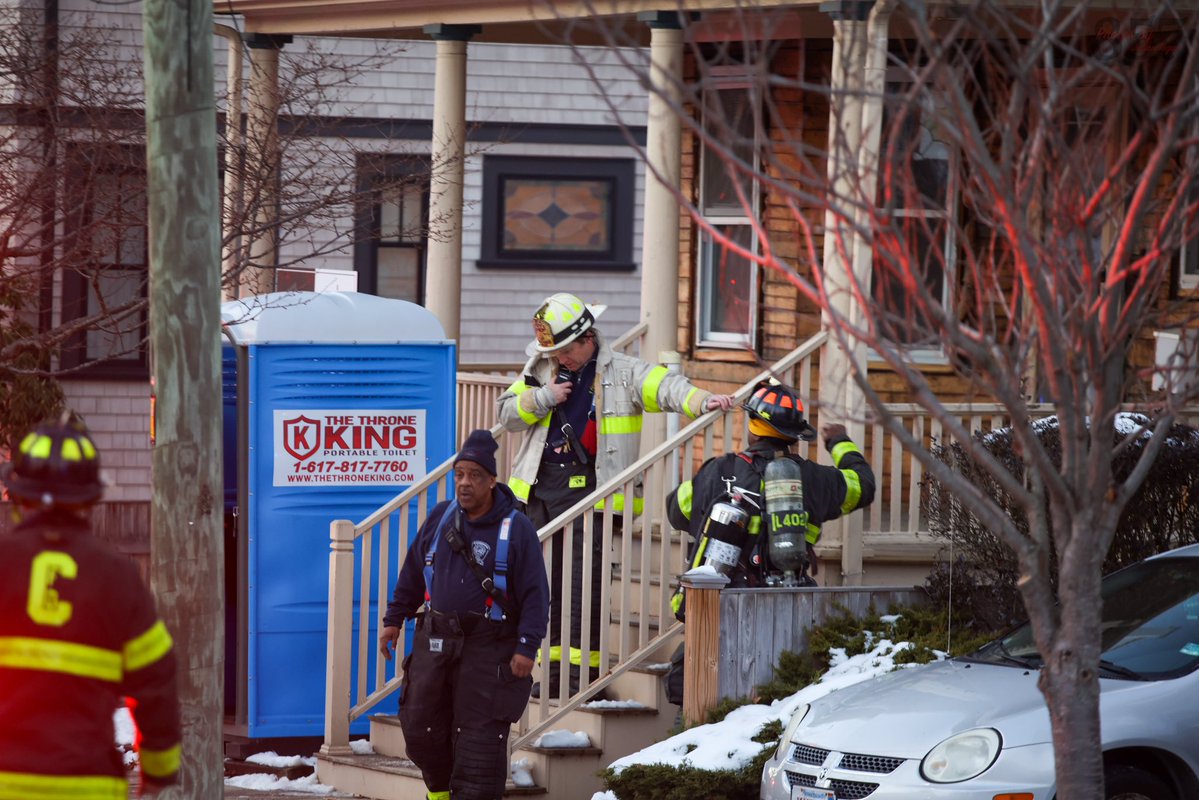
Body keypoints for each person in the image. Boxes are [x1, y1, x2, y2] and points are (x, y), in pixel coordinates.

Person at [496, 292, 734, 698]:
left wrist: (703, 401)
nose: (561, 360)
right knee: (540, 587)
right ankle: (549, 675)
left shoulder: (622, 371)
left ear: (587, 338)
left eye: (565, 351)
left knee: (582, 588)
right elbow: (506, 414)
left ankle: (579, 681)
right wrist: (543, 397)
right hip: (538, 494)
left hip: (592, 497)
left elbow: (666, 386)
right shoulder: (541, 369)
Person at [662, 380, 876, 708]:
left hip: (718, 606)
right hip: (782, 608)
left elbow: (676, 510)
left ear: (753, 426)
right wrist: (839, 442)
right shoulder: (816, 479)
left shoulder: (719, 470)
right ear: (794, 435)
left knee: (696, 697)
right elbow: (863, 486)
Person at [0, 413, 181, 799]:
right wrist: (159, 776)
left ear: (17, 496)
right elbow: (157, 684)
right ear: (89, 501)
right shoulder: (118, 576)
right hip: (88, 784)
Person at [379, 429, 548, 800]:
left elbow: (537, 593)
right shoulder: (442, 518)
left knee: (479, 746)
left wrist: (526, 646)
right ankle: (439, 794)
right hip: (435, 640)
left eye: (474, 475)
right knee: (421, 728)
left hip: (488, 648)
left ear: (491, 480)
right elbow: (412, 569)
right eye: (459, 475)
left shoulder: (515, 528)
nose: (464, 483)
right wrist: (394, 619)